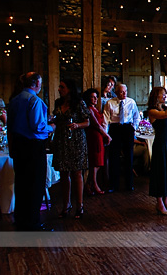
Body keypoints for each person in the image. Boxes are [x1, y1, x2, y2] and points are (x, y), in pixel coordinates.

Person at [7, 72, 53, 231]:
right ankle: (32, 222)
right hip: (33, 146)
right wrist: (51, 127)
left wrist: (11, 147)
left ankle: (20, 219)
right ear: (36, 84)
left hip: (18, 145)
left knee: (21, 183)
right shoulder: (35, 101)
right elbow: (37, 126)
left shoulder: (14, 100)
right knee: (35, 184)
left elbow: (10, 127)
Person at [52, 79, 90, 219]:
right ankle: (66, 205)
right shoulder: (58, 103)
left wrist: (77, 125)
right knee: (63, 173)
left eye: (62, 87)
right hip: (61, 140)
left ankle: (79, 205)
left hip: (76, 140)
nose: (59, 89)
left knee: (76, 173)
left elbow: (87, 122)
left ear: (69, 89)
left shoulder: (79, 103)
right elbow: (56, 119)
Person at [146, 87, 167, 215]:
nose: (165, 96)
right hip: (160, 144)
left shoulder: (166, 108)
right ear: (156, 96)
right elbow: (165, 115)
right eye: (162, 94)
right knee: (161, 172)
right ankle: (159, 203)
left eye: (166, 94)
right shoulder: (152, 111)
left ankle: (166, 201)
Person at [103, 82, 140, 193]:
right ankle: (113, 185)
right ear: (116, 92)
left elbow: (136, 117)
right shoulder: (110, 103)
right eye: (121, 92)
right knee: (114, 157)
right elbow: (105, 120)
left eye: (125, 91)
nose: (124, 94)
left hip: (127, 128)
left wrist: (133, 127)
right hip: (115, 129)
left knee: (129, 157)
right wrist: (106, 134)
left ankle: (129, 184)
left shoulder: (131, 102)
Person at [83, 88, 110, 195]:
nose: (95, 99)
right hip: (94, 136)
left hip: (99, 135)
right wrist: (106, 135)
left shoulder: (96, 109)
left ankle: (89, 184)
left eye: (96, 97)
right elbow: (96, 125)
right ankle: (94, 184)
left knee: (98, 162)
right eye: (92, 97)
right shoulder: (89, 109)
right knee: (95, 162)